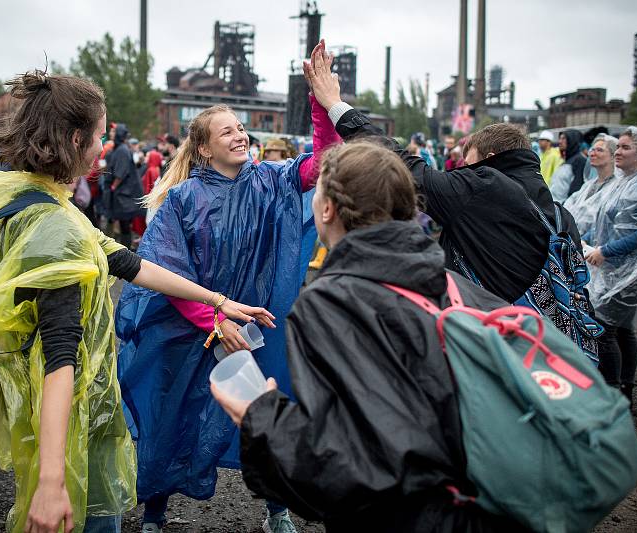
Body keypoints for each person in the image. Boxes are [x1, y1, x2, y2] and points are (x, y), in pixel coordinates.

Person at [0, 70, 273, 533]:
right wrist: (52, 479)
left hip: (71, 419)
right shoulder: (56, 229)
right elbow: (60, 356)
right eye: (100, 137)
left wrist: (218, 301)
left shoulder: (44, 205)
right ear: (74, 138)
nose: (103, 148)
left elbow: (130, 264)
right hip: (69, 428)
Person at [211, 140, 527, 532]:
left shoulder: (331, 306)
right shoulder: (458, 288)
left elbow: (340, 470)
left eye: (317, 192)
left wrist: (260, 418)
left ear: (327, 209)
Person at [115, 90, 339, 533]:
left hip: (255, 328)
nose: (240, 135)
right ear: (204, 148)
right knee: (170, 418)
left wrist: (322, 102)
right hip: (189, 332)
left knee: (266, 413)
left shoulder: (271, 181)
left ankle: (277, 510)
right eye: (227, 131)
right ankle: (155, 515)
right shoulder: (182, 201)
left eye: (240, 128)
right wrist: (215, 322)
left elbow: (323, 163)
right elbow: (165, 271)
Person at [304, 41, 579, 307]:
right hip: (547, 345)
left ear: (490, 160)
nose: (462, 170)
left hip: (488, 336)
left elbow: (403, 165)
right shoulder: (558, 214)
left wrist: (335, 105)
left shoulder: (484, 189)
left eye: (468, 164)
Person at [582, 127, 637, 404]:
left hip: (629, 271)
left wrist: (605, 251)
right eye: (618, 146)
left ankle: (612, 395)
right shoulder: (625, 181)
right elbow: (604, 222)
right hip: (614, 268)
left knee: (604, 327)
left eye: (625, 147)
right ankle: (624, 388)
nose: (618, 151)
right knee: (620, 328)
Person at [563, 134, 619, 236]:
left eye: (599, 150)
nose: (593, 153)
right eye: (592, 150)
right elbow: (569, 208)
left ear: (613, 156)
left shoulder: (617, 187)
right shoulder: (588, 186)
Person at [103, 124, 144, 249]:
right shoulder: (119, 149)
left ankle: (126, 249)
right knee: (122, 223)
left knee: (124, 223)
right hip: (121, 192)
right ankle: (124, 247)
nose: (111, 133)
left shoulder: (122, 150)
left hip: (123, 193)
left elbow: (121, 172)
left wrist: (113, 186)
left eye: (114, 131)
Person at [549, 129, 586, 202]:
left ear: (572, 140)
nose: (560, 141)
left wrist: (564, 207)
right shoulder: (566, 161)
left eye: (563, 138)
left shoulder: (579, 160)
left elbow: (576, 189)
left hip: (565, 208)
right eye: (560, 138)